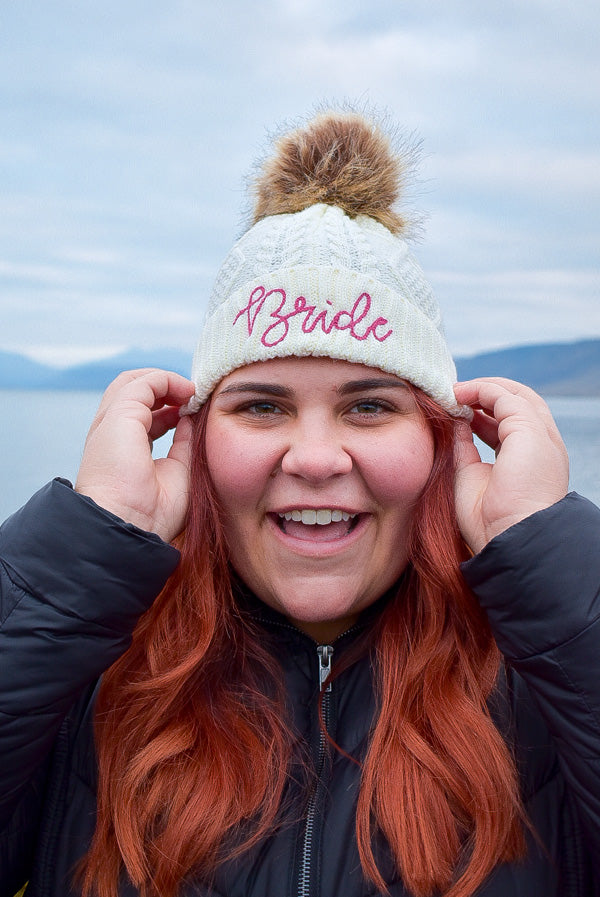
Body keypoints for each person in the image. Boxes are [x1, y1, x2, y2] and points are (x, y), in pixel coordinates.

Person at [1, 110, 599, 897]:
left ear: (444, 439)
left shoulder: (549, 689)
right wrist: (86, 544)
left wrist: (543, 554)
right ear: (194, 439)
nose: (315, 458)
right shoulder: (88, 679)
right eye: (261, 406)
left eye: (369, 406)